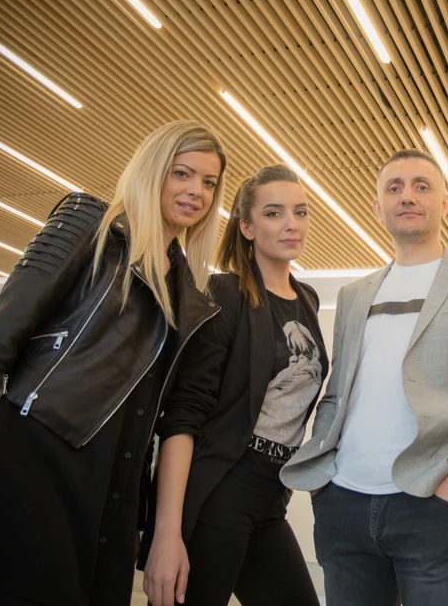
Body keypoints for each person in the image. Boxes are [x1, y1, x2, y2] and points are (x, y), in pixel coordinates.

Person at [0, 120, 227, 606]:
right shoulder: (91, 226)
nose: (196, 192)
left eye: (208, 182)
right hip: (33, 465)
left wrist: (145, 519)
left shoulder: (190, 296)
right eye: (181, 173)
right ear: (151, 170)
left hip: (111, 490)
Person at [280, 149, 448, 606]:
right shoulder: (354, 294)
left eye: (422, 186)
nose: (407, 196)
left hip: (436, 506)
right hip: (344, 503)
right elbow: (338, 393)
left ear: (445, 203)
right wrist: (324, 479)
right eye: (394, 188)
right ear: (377, 207)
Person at [140, 164, 327, 606]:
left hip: (270, 497)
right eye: (274, 213)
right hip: (220, 492)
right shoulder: (222, 294)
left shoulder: (307, 299)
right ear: (246, 227)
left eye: (300, 212)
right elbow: (184, 414)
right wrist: (166, 533)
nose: (291, 224)